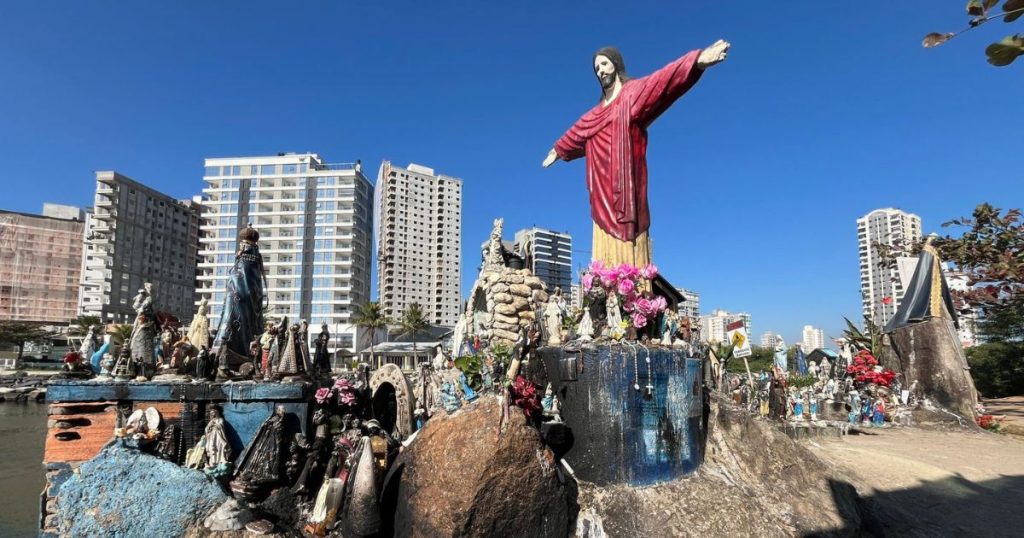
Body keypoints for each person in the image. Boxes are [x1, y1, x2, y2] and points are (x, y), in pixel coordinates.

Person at [542, 41, 730, 267]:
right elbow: (579, 129)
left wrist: (697, 61)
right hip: (602, 193)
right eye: (597, 68)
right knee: (602, 252)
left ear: (616, 65)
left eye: (604, 63)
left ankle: (632, 291)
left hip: (627, 189)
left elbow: (663, 80)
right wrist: (558, 149)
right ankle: (606, 285)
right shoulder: (595, 114)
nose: (600, 70)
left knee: (632, 248)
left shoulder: (633, 94)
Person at [212, 225, 267, 370]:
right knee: (243, 317)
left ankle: (236, 349)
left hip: (241, 293)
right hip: (248, 293)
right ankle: (238, 350)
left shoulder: (245, 256)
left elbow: (239, 282)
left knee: (236, 313)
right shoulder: (255, 257)